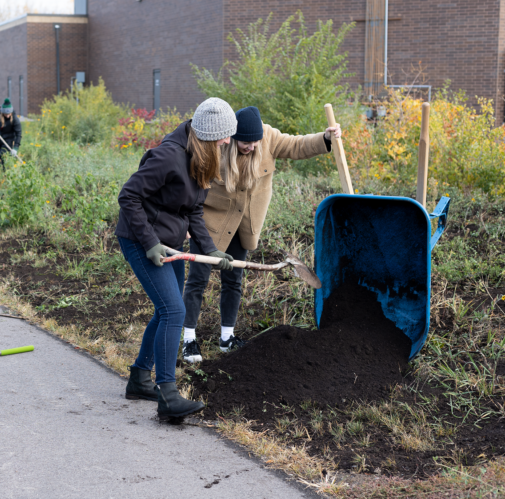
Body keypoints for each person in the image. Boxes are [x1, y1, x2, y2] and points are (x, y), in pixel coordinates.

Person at [180, 106, 340, 363]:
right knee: (198, 281)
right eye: (245, 142)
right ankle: (188, 340)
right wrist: (185, 221)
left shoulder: (268, 138)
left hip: (243, 225)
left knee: (233, 281)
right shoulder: (216, 145)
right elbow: (190, 184)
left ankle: (226, 338)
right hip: (210, 225)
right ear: (232, 136)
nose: (251, 146)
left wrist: (325, 138)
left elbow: (297, 145)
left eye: (255, 142)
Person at [116, 97, 237, 420]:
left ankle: (140, 378)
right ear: (210, 135)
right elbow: (128, 196)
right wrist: (151, 243)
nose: (228, 141)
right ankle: (167, 395)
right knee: (174, 309)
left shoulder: (201, 157)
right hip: (141, 240)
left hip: (172, 244)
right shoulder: (168, 157)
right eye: (224, 136)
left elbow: (194, 209)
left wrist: (209, 249)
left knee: (166, 309)